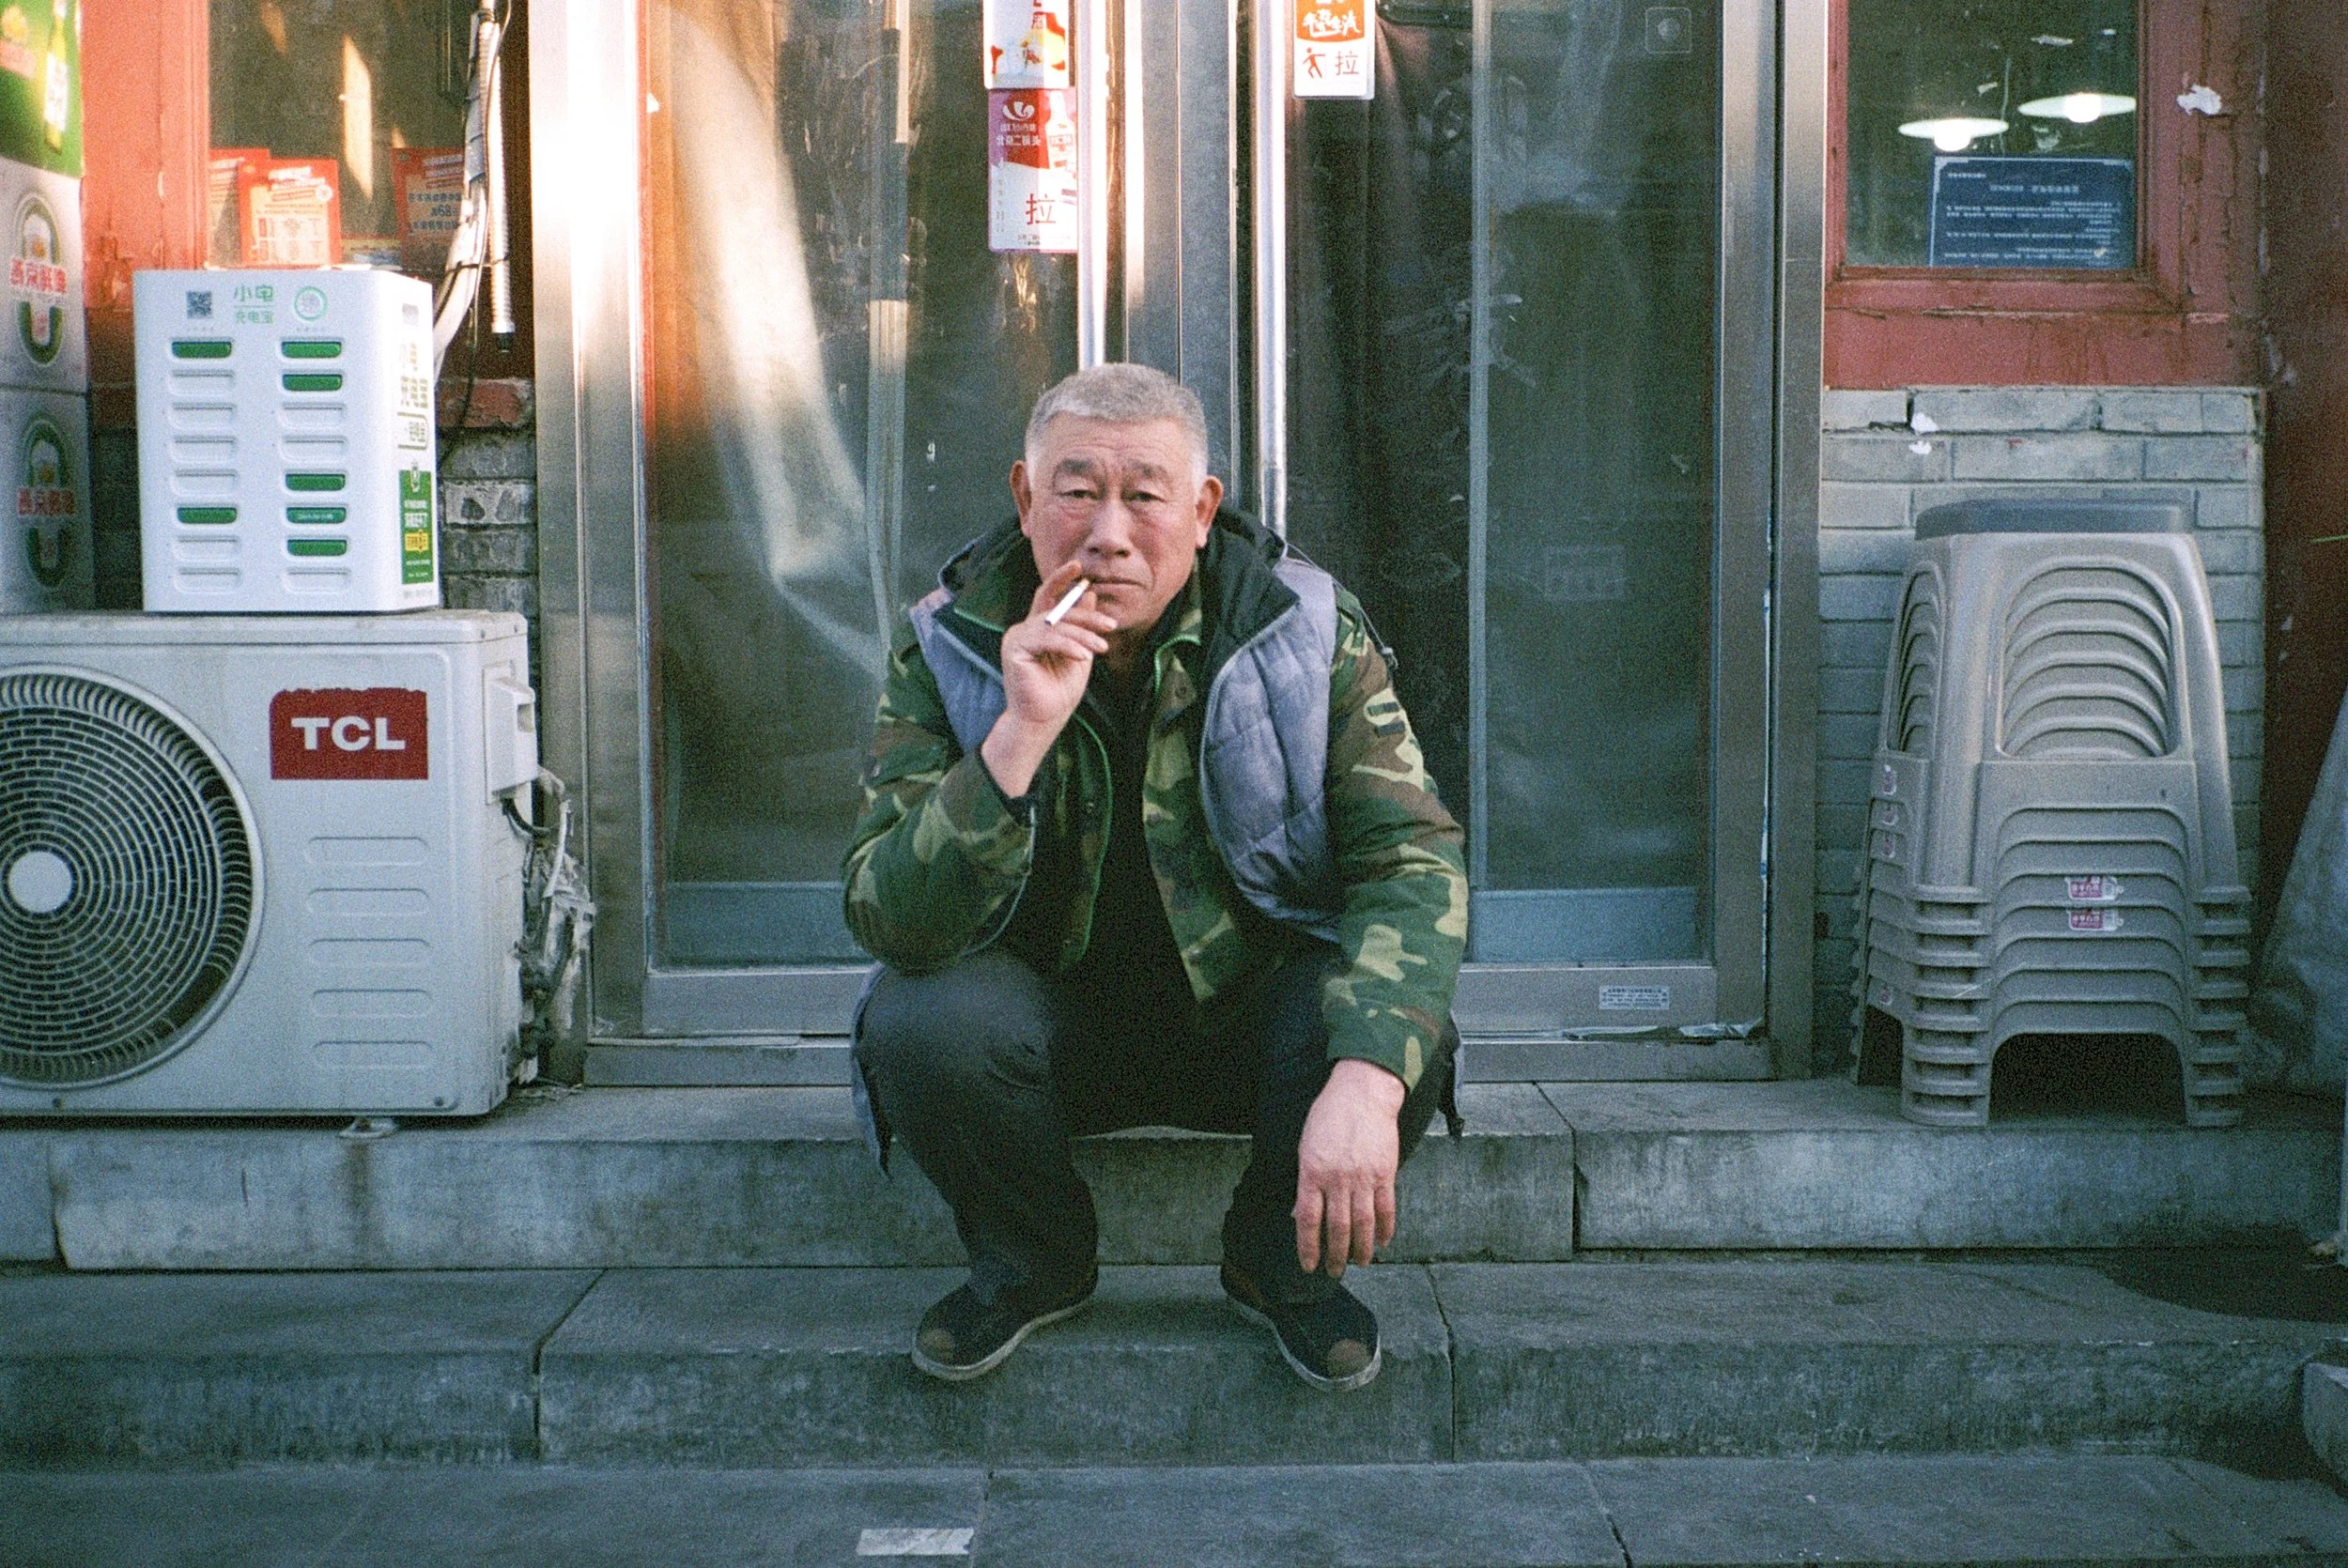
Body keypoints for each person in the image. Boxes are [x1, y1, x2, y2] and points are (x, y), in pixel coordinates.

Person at [844, 362, 1466, 1392]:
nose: (1109, 532)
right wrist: (1018, 733)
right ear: (1023, 497)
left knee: (1398, 1028)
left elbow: (1409, 858)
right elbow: (889, 916)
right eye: (1076, 490)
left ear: (1203, 506)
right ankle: (1032, 1259)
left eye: (1145, 494)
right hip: (1044, 1037)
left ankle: (1279, 1263)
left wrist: (1365, 1077)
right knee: (918, 1020)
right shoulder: (948, 637)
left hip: (1247, 1024)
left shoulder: (1300, 625)